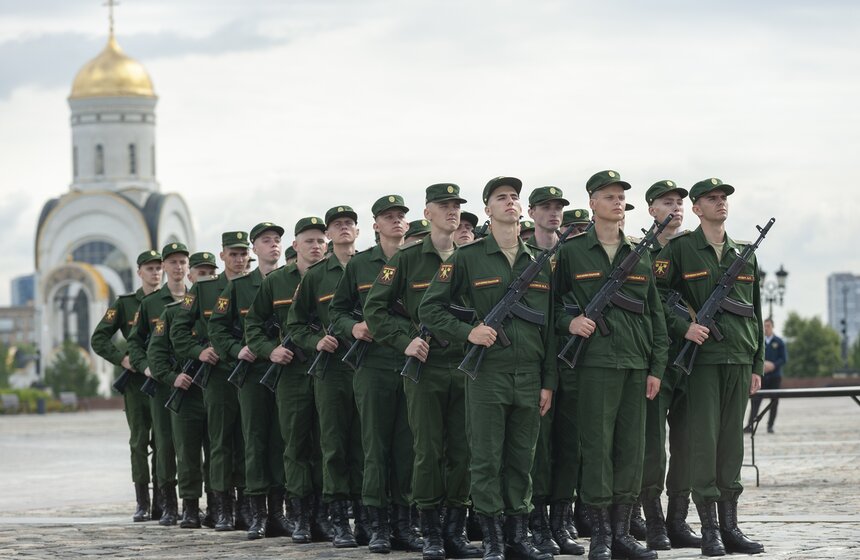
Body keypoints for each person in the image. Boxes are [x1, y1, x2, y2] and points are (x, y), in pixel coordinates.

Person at [419, 176, 556, 560]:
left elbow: (548, 328)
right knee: (485, 459)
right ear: (487, 210)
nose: (510, 202)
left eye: (515, 197)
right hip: (487, 375)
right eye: (501, 198)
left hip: (529, 375)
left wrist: (548, 381)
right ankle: (493, 538)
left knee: (521, 459)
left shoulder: (541, 262)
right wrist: (468, 332)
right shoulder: (467, 257)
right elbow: (429, 308)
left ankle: (518, 536)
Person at [364, 183, 482, 560]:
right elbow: (375, 310)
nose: (453, 212)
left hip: (465, 365)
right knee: (427, 451)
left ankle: (455, 531)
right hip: (425, 367)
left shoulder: (474, 257)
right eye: (444, 206)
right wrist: (404, 341)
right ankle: (430, 530)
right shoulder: (407, 259)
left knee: (463, 452)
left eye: (457, 206)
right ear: (427, 214)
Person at [553, 170, 667, 560]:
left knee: (630, 450)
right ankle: (601, 535)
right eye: (609, 196)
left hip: (636, 365)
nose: (617, 202)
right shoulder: (570, 252)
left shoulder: (641, 250)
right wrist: (568, 322)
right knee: (597, 449)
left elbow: (654, 315)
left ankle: (622, 533)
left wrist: (657, 367)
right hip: (594, 365)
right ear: (592, 203)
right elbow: (549, 306)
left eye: (621, 196)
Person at [655, 177, 765, 557]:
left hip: (739, 357)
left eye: (723, 199)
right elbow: (657, 296)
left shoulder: (744, 253)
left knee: (732, 445)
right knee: (704, 443)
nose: (720, 203)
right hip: (702, 362)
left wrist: (757, 362)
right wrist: (684, 326)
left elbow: (755, 310)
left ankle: (731, 525)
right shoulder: (682, 249)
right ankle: (710, 529)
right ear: (697, 209)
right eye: (711, 199)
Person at [330, 194, 424, 555]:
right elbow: (337, 311)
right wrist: (353, 329)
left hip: (413, 362)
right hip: (373, 364)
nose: (397, 221)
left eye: (401, 215)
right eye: (388, 217)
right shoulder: (360, 264)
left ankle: (404, 524)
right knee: (375, 446)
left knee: (408, 447)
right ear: (375, 225)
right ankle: (377, 525)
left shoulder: (419, 259)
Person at [245, 217, 328, 543]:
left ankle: (324, 516)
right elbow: (254, 324)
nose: (316, 246)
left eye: (320, 240)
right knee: (295, 445)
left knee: (329, 445)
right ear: (296, 246)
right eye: (309, 241)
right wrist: (270, 350)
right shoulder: (277, 282)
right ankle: (300, 518)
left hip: (329, 371)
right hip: (292, 374)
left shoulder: (338, 277)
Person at [286, 205, 365, 548]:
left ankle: (367, 517)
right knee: (333, 446)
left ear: (358, 231)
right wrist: (316, 340)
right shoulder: (316, 276)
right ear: (330, 235)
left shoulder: (374, 267)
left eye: (350, 223)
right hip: (332, 370)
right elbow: (295, 324)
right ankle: (338, 520)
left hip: (369, 367)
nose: (344, 228)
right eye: (338, 225)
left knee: (368, 446)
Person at [209, 222, 289, 540]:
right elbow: (217, 327)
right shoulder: (238, 287)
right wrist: (235, 350)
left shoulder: (291, 282)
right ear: (255, 249)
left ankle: (278, 512)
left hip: (286, 371)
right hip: (254, 373)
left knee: (283, 441)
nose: (273, 245)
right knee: (254, 441)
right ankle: (257, 514)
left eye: (277, 240)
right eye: (266, 241)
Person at [171, 231, 251, 532]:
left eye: (243, 254)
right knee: (220, 442)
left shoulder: (257, 285)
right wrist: (199, 351)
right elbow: (179, 331)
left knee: (249, 440)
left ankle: (247, 503)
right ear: (223, 256)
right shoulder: (204, 289)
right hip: (218, 375)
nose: (239, 259)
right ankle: (222, 507)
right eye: (233, 254)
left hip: (250, 373)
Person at [638, 181, 701, 550]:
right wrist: (682, 326)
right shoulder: (638, 251)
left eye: (679, 202)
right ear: (651, 210)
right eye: (667, 202)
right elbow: (650, 302)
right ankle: (654, 522)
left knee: (688, 444)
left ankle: (678, 519)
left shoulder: (693, 248)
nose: (675, 207)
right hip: (653, 359)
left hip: (689, 361)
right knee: (651, 448)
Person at [524, 185, 581, 556]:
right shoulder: (525, 256)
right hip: (536, 362)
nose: (554, 213)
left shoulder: (574, 255)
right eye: (545, 207)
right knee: (537, 448)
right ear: (532, 213)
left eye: (558, 207)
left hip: (572, 361)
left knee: (569, 444)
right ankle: (538, 523)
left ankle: (562, 522)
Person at [147, 251, 219, 529]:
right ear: (191, 277)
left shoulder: (221, 311)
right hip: (188, 393)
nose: (205, 279)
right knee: (187, 453)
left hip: (215, 390)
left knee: (218, 451)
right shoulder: (172, 313)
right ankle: (189, 506)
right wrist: (172, 377)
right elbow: (157, 353)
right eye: (200, 274)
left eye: (210, 274)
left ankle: (217, 505)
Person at [91, 249, 163, 522]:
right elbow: (99, 338)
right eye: (149, 268)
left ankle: (164, 501)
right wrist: (122, 359)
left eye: (158, 268)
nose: (155, 273)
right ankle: (142, 502)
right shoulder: (125, 304)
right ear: (139, 272)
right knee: (139, 441)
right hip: (136, 383)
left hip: (163, 379)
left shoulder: (172, 300)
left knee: (165, 443)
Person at [127, 242, 190, 526]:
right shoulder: (150, 304)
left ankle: (192, 503)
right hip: (163, 384)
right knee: (164, 444)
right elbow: (135, 343)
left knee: (193, 444)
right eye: (173, 262)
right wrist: (147, 367)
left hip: (192, 382)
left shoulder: (196, 298)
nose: (178, 268)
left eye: (182, 262)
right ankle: (168, 505)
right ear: (164, 267)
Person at [745, 318, 787, 433]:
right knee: (755, 400)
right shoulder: (759, 342)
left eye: (768, 326)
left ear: (772, 327)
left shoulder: (779, 342)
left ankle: (770, 426)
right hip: (761, 376)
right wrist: (761, 365)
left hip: (775, 377)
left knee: (774, 401)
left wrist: (773, 365)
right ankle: (750, 425)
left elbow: (783, 359)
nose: (766, 328)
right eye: (764, 326)